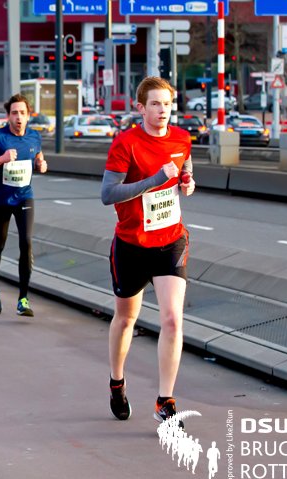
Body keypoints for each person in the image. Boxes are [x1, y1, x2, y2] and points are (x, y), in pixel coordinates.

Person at [101, 76, 196, 426]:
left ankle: (165, 400)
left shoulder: (182, 138)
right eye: (155, 104)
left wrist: (187, 182)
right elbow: (108, 194)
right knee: (126, 318)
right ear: (140, 108)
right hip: (131, 244)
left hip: (171, 240)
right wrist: (155, 180)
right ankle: (116, 381)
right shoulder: (125, 144)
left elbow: (186, 170)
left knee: (172, 318)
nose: (162, 111)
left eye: (167, 104)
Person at [0, 93, 48, 317]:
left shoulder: (34, 137)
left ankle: (23, 299)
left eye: (22, 113)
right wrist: (1, 159)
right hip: (0, 200)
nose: (18, 117)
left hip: (25, 196)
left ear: (28, 115)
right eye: (14, 113)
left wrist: (42, 165)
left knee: (26, 242)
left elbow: (39, 159)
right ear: (8, 116)